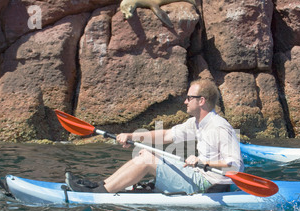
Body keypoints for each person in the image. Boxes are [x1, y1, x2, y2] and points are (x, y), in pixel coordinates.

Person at [66, 79, 244, 194]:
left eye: (189, 98)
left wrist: (203, 162)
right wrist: (131, 135)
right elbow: (166, 135)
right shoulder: (196, 123)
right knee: (144, 153)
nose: (185, 102)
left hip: (209, 185)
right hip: (198, 176)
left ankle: (99, 195)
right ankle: (99, 186)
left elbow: (234, 164)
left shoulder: (219, 127)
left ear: (202, 101)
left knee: (146, 161)